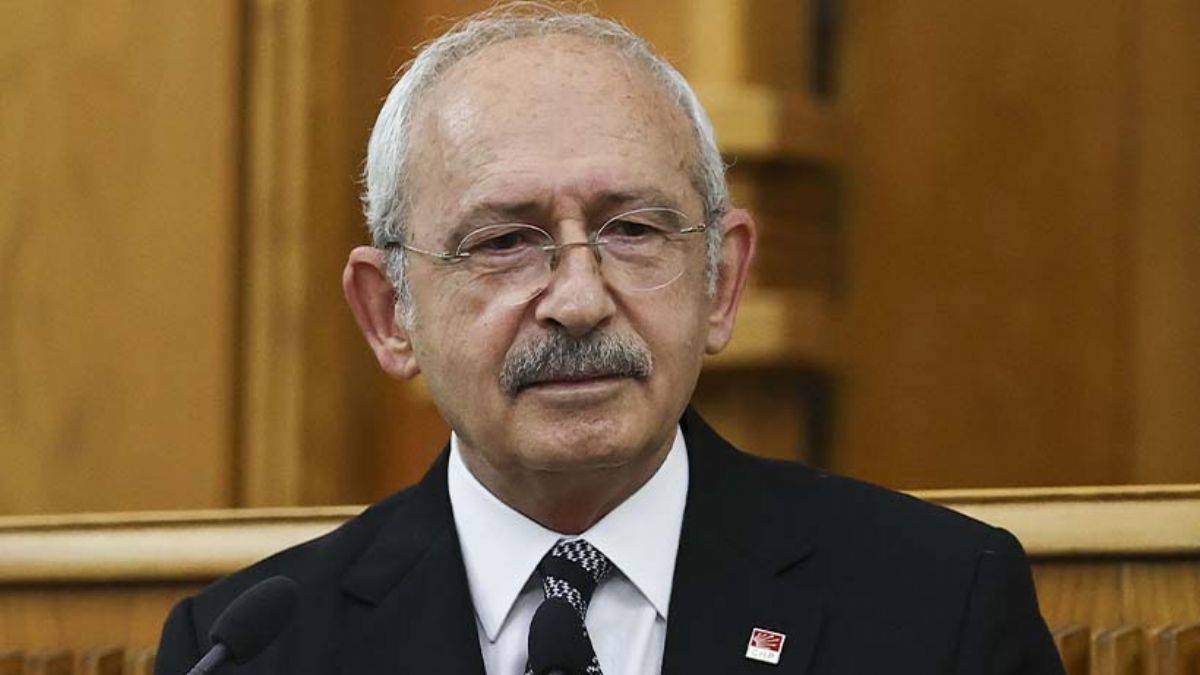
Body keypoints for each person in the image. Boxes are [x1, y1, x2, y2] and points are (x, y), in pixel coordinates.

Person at [155, 5, 1064, 674]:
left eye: (632, 230)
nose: (580, 300)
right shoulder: (248, 650)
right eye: (504, 242)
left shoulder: (937, 603)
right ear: (390, 313)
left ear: (721, 281)